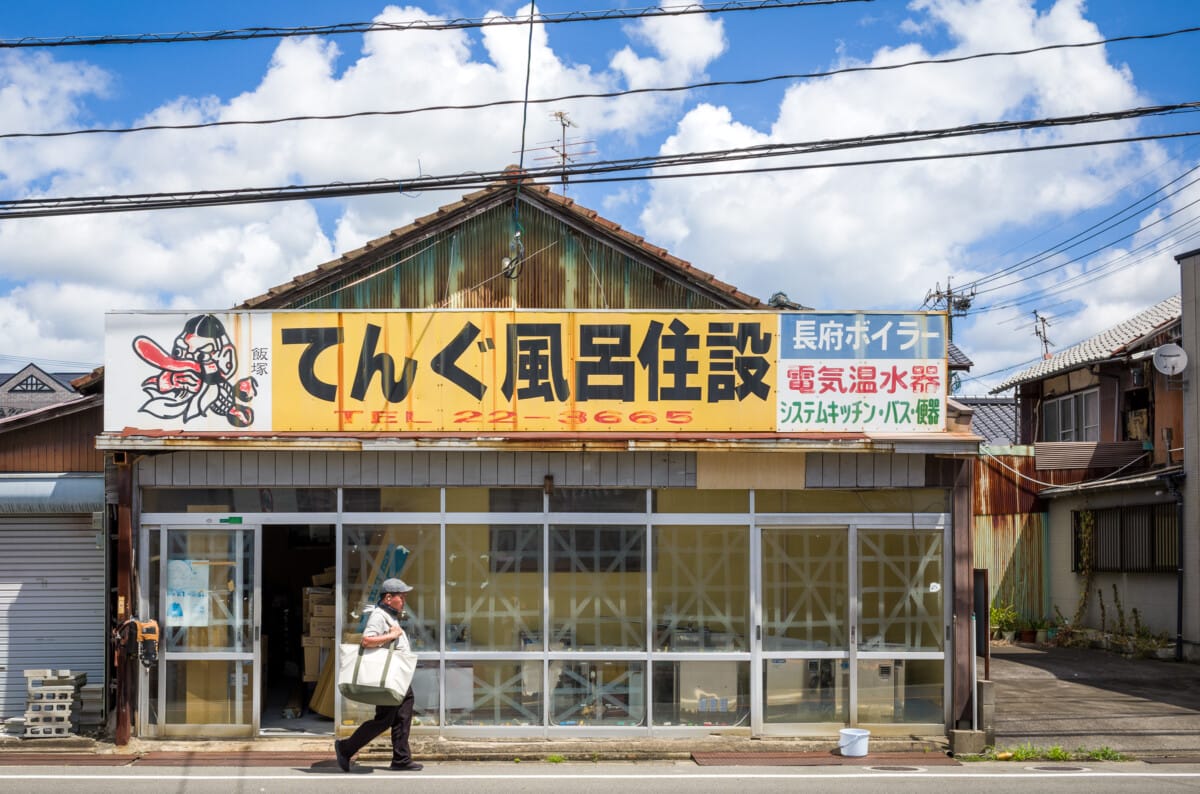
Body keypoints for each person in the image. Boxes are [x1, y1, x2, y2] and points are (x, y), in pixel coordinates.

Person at [334, 578, 423, 772]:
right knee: (384, 720)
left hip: (396, 678)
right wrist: (392, 635)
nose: (404, 600)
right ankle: (346, 748)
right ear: (389, 597)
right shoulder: (379, 615)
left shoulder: (389, 615)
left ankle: (401, 758)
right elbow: (367, 640)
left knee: (402, 715)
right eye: (402, 596)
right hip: (389, 679)